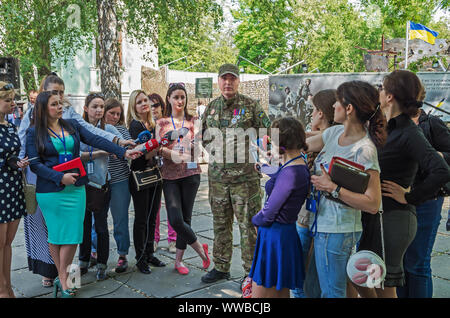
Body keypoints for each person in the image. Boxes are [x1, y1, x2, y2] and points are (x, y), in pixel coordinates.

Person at [18, 73, 134, 288]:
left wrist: (121, 151)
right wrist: (60, 177)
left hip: (76, 190)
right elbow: (35, 164)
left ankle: (65, 278)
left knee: (73, 236)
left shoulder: (72, 125)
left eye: (61, 102)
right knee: (55, 236)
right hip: (50, 192)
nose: (60, 106)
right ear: (44, 109)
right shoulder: (35, 131)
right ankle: (66, 280)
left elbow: (96, 137)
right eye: (54, 104)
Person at [355, 70, 450, 298]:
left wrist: (409, 196)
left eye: (382, 87)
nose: (378, 91)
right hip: (376, 215)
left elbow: (441, 170)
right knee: (367, 279)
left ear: (390, 96)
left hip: (395, 216)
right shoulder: (388, 127)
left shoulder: (409, 131)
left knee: (394, 278)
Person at [305, 80, 387, 298]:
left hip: (338, 231)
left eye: (337, 102)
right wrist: (275, 135)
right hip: (324, 226)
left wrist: (333, 187)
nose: (333, 107)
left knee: (332, 293)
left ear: (349, 108)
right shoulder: (335, 134)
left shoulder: (364, 150)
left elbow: (372, 203)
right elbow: (303, 144)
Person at [201, 63, 271, 284]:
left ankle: (252, 273)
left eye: (232, 78)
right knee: (220, 224)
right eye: (224, 79)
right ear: (218, 81)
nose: (228, 82)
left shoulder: (251, 106)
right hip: (218, 180)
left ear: (238, 81)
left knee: (249, 227)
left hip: (245, 181)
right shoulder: (211, 108)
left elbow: (268, 133)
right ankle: (221, 266)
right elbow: (203, 137)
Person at [249, 117, 310, 298]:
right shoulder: (297, 162)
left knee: (260, 295)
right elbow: (280, 175)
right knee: (279, 291)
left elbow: (269, 212)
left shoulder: (291, 172)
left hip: (275, 235)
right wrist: (264, 168)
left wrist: (254, 220)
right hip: (283, 234)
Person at [395, 105, 450, 298]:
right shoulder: (392, 125)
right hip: (398, 201)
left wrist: (434, 156)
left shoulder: (432, 123)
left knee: (417, 262)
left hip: (427, 200)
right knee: (399, 263)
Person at [155, 83, 210, 275]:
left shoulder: (194, 121)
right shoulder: (162, 123)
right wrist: (172, 153)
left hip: (191, 175)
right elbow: (157, 149)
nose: (180, 100)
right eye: (176, 97)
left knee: (186, 218)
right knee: (175, 219)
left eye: (183, 97)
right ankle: (201, 250)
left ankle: (178, 261)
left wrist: (195, 145)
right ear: (169, 98)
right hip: (170, 176)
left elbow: (200, 145)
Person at [291, 89, 337, 298]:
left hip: (310, 219)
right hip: (311, 217)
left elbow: (296, 145)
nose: (310, 114)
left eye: (312, 110)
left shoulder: (330, 140)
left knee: (300, 278)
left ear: (321, 113)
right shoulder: (331, 136)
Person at [78, 93, 123, 280]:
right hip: (81, 184)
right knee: (83, 226)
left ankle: (102, 265)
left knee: (102, 227)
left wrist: (122, 150)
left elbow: (123, 147)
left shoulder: (109, 128)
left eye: (101, 107)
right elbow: (76, 155)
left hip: (102, 184)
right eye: (95, 106)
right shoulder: (77, 128)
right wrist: (100, 152)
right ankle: (83, 262)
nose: (98, 110)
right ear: (86, 109)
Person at [127, 89, 166, 274]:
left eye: (145, 101)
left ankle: (150, 253)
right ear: (133, 107)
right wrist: (158, 145)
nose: (144, 104)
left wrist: (160, 144)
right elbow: (140, 155)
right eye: (139, 102)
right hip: (139, 175)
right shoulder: (135, 126)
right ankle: (140, 257)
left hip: (155, 174)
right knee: (141, 218)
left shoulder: (153, 124)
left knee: (153, 216)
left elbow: (155, 151)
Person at [0, 82, 29, 298]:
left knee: (8, 244)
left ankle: (7, 285)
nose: (12, 103)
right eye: (7, 99)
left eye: (12, 99)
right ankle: (3, 289)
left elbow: (10, 155)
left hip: (12, 186)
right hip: (0, 189)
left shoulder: (9, 125)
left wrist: (16, 163)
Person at [103, 98, 133, 273]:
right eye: (111, 113)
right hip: (98, 181)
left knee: (120, 218)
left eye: (118, 114)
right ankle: (95, 252)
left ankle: (122, 254)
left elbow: (132, 149)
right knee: (96, 221)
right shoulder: (93, 129)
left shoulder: (122, 130)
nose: (114, 117)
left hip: (119, 179)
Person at [149, 93, 177, 253]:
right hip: (152, 170)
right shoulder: (147, 125)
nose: (153, 109)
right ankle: (154, 238)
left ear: (161, 106)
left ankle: (173, 240)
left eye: (156, 105)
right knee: (155, 207)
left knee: (172, 205)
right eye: (150, 105)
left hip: (169, 169)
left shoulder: (168, 124)